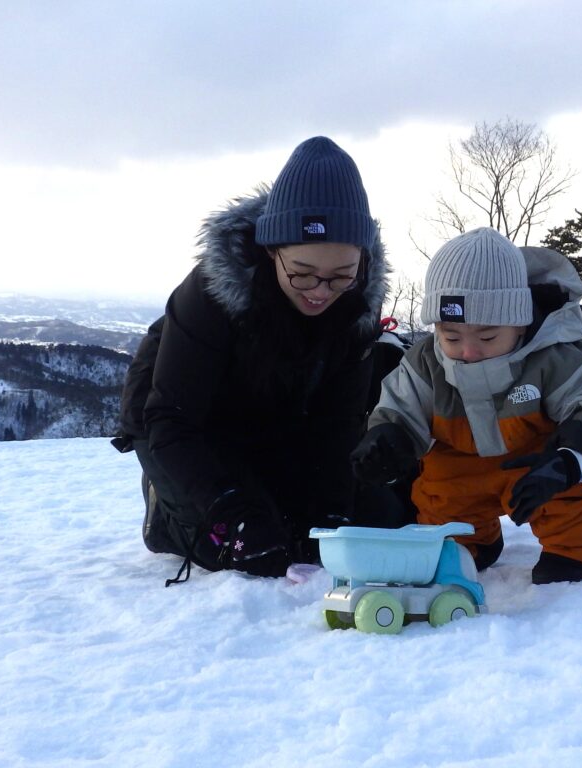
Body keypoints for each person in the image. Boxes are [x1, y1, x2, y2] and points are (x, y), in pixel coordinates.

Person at [112, 136, 410, 585]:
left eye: (341, 276)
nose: (321, 292)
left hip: (281, 424)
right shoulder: (211, 295)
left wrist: (331, 516)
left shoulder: (357, 306)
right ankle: (168, 514)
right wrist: (231, 511)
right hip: (184, 429)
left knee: (374, 525)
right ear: (271, 250)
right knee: (243, 547)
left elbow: (339, 422)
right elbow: (171, 421)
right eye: (302, 274)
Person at [350, 227, 582, 584]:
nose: (468, 351)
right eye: (451, 336)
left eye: (487, 336)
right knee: (439, 499)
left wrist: (566, 463)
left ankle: (577, 550)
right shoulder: (425, 364)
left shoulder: (558, 358)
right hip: (462, 468)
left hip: (541, 463)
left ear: (520, 324)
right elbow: (400, 407)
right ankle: (469, 542)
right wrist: (386, 440)